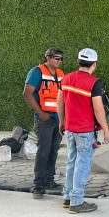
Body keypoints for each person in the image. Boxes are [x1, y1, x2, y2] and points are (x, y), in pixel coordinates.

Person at [57, 48, 109, 213]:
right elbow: (98, 110)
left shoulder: (66, 79)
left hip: (70, 129)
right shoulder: (94, 83)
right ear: (94, 64)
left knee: (72, 162)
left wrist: (61, 122)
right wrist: (107, 131)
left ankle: (68, 197)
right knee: (82, 165)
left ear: (79, 62)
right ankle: (77, 202)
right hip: (85, 131)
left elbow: (60, 103)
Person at [23, 47, 65, 199]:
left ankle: (49, 180)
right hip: (44, 119)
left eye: (61, 58)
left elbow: (64, 96)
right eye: (56, 58)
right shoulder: (37, 71)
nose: (59, 61)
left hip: (57, 119)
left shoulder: (60, 74)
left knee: (53, 150)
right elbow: (27, 93)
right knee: (43, 150)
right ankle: (38, 186)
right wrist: (40, 113)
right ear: (47, 57)